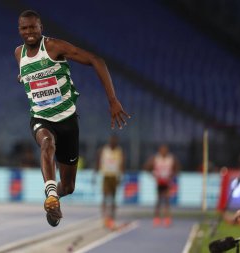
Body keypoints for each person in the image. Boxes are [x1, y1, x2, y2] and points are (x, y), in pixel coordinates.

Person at [14, 10, 130, 227]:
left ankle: (55, 196)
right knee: (47, 143)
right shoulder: (18, 53)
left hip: (67, 121)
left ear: (41, 28)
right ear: (19, 30)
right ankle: (50, 194)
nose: (28, 32)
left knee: (68, 187)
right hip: (41, 118)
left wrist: (112, 100)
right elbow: (27, 74)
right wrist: (24, 77)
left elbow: (96, 60)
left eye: (33, 27)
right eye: (24, 28)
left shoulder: (54, 47)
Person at [143, 144, 180, 227]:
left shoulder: (171, 158)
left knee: (167, 200)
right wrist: (153, 175)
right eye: (162, 150)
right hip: (159, 182)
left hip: (167, 181)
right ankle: (156, 218)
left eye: (165, 150)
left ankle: (167, 219)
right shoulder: (156, 158)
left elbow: (177, 167)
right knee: (158, 200)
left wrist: (172, 175)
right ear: (159, 151)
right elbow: (146, 167)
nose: (164, 152)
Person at [95, 134, 125, 229]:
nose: (113, 142)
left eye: (115, 141)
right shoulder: (104, 150)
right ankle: (104, 218)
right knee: (105, 196)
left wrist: (121, 176)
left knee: (113, 198)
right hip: (106, 175)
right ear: (109, 141)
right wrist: (96, 172)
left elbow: (122, 164)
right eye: (111, 141)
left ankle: (112, 217)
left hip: (115, 176)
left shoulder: (119, 151)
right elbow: (98, 161)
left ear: (116, 142)